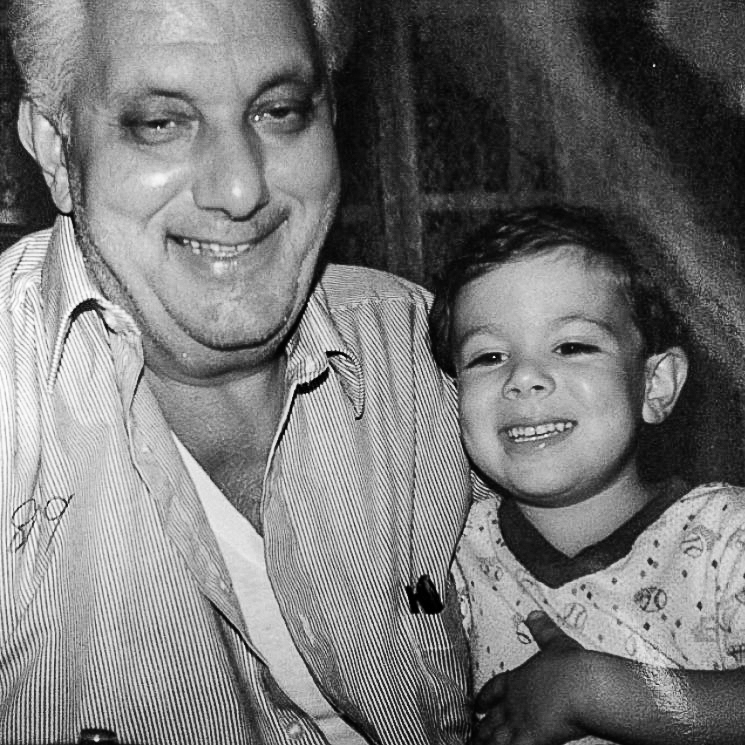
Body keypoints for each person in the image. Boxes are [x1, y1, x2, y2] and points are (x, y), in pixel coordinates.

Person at [0, 0, 473, 742]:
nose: (240, 189)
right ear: (59, 153)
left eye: (279, 111)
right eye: (162, 122)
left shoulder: (426, 359)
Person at [429, 205, 745, 745]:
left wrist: (592, 690)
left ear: (656, 386)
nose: (524, 377)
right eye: (488, 357)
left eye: (573, 346)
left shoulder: (724, 537)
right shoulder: (446, 550)